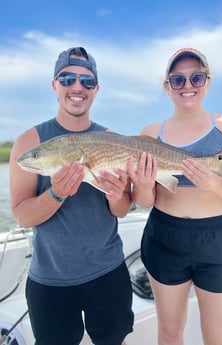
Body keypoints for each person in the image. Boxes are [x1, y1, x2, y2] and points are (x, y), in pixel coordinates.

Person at [128, 47, 222, 345]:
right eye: (178, 80)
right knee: (170, 333)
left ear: (207, 82)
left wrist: (216, 185)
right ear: (167, 86)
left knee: (221, 339)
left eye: (196, 78)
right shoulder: (149, 133)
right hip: (164, 237)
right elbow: (143, 201)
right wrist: (144, 185)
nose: (188, 86)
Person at [9, 47, 134, 345]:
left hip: (108, 272)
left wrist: (118, 196)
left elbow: (123, 209)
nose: (77, 87)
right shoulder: (30, 143)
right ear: (54, 85)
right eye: (67, 79)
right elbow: (23, 216)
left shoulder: (115, 140)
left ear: (96, 89)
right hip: (50, 280)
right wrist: (56, 193)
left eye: (86, 81)